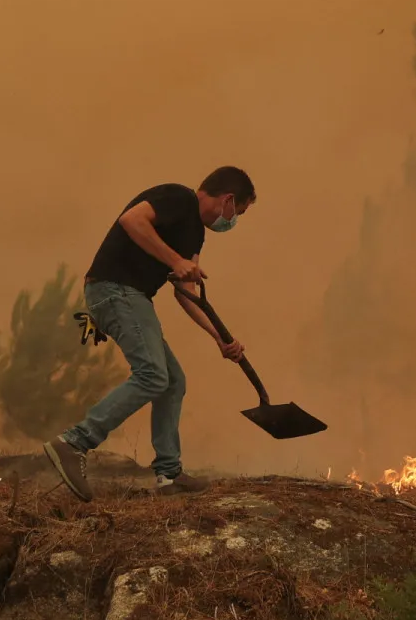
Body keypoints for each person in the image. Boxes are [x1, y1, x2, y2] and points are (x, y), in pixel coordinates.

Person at [43, 166, 256, 501]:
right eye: (239, 212)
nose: (233, 221)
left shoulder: (195, 235)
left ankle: (169, 474)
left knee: (172, 381)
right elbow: (132, 220)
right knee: (153, 375)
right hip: (114, 290)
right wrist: (174, 259)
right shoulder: (177, 197)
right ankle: (74, 442)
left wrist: (220, 338)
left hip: (133, 297)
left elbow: (186, 291)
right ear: (228, 200)